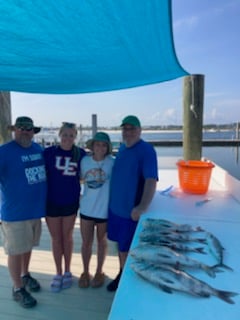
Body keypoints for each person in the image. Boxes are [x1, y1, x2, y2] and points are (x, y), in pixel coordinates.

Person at [107, 115, 158, 292]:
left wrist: (142, 207)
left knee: (129, 248)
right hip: (115, 209)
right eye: (125, 129)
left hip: (130, 212)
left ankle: (128, 279)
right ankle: (122, 273)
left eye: (132, 128)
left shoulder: (146, 150)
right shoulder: (122, 148)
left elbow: (151, 180)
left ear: (140, 130)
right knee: (120, 247)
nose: (128, 132)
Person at [0, 116, 47, 308]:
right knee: (15, 251)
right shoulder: (4, 152)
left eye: (29, 129)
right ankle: (18, 288)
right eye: (21, 128)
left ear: (33, 132)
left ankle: (25, 274)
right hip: (15, 213)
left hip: (35, 211)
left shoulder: (38, 149)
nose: (25, 132)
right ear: (14, 130)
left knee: (28, 247)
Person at [44, 122, 86, 293]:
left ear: (75, 137)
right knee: (56, 239)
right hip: (51, 202)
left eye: (71, 135)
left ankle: (68, 270)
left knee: (67, 237)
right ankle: (58, 272)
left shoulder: (81, 154)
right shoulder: (48, 153)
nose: (68, 138)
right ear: (59, 135)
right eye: (65, 134)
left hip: (70, 202)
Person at [79, 132, 114, 288]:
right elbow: (80, 179)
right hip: (86, 209)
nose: (100, 147)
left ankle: (99, 271)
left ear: (108, 148)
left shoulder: (112, 163)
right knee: (86, 243)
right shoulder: (84, 161)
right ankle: (85, 272)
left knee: (102, 242)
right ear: (92, 146)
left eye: (104, 144)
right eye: (97, 144)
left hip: (104, 211)